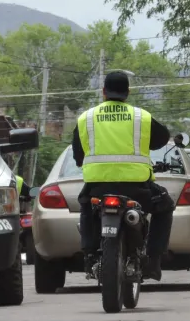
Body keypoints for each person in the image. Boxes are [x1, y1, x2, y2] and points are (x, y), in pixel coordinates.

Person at [71, 70, 174, 282]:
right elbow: (162, 138)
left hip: (97, 188)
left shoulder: (86, 119)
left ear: (103, 92)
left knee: (86, 207)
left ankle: (89, 256)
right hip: (138, 189)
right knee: (165, 207)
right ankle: (153, 261)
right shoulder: (141, 117)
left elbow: (78, 155)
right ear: (127, 92)